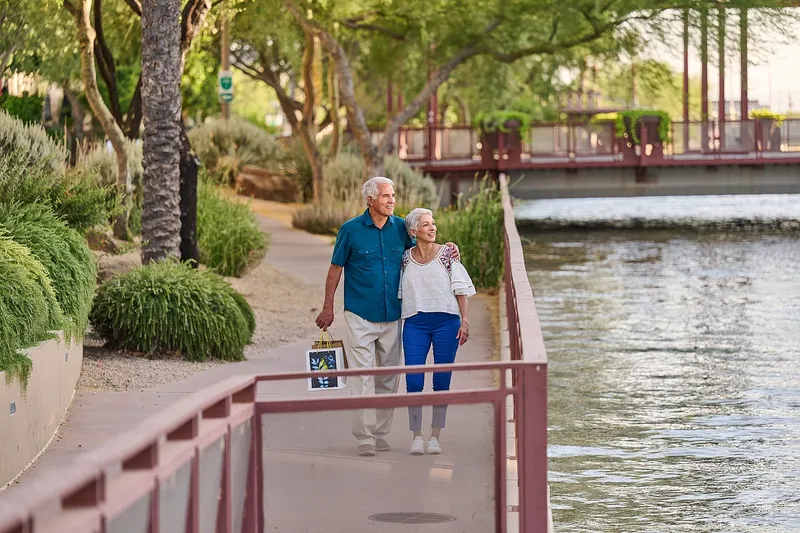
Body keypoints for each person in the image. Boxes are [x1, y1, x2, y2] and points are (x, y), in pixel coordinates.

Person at [315, 177, 458, 457]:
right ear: (370, 200)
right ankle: (364, 436)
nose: (391, 200)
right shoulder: (350, 230)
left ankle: (380, 433)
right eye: (385, 196)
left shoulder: (402, 228)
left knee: (389, 377)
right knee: (362, 375)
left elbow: (426, 246)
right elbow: (335, 270)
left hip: (394, 314)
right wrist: (328, 307)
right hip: (359, 313)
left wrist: (449, 247)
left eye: (393, 195)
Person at [399, 208, 475, 455]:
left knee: (441, 381)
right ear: (413, 232)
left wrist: (465, 320)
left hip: (446, 323)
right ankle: (417, 436)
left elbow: (460, 289)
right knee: (414, 380)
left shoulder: (447, 255)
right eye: (425, 225)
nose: (432, 228)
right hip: (415, 323)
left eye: (433, 224)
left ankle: (435, 436)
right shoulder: (404, 258)